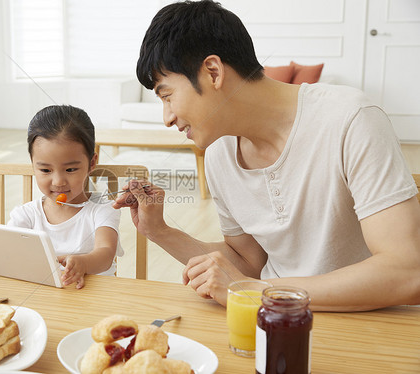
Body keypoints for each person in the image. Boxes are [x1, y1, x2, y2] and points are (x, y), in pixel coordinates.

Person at [114, 0, 420, 311]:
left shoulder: (350, 119)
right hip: (268, 320)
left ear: (213, 72)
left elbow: (407, 272)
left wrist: (258, 292)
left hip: (368, 325)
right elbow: (248, 264)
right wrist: (159, 231)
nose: (166, 118)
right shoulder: (220, 155)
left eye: (167, 95)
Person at [0, 105, 122, 289]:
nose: (58, 182)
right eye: (46, 170)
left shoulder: (103, 208)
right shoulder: (26, 215)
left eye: (70, 169)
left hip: (96, 299)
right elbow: (5, 253)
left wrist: (84, 263)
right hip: (46, 300)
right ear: (33, 165)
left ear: (92, 163)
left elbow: (105, 253)